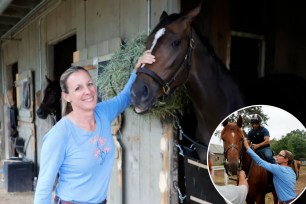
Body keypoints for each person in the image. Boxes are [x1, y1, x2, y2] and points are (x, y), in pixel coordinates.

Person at [34, 50, 155, 204]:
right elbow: (43, 189)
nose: (88, 91)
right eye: (78, 88)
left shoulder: (102, 113)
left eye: (89, 84)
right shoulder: (59, 134)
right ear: (67, 96)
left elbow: (125, 98)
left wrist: (138, 70)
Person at [243, 137, 297, 204]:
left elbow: (260, 162)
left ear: (286, 160)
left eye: (280, 155)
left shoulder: (279, 169)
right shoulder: (291, 171)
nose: (277, 156)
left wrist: (247, 147)